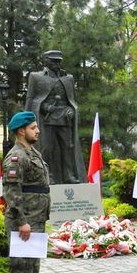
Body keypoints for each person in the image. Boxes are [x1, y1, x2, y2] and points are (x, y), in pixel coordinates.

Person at [2, 111, 53, 273]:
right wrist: (21, 221)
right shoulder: (16, 157)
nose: (38, 130)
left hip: (36, 219)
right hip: (23, 222)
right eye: (34, 127)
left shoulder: (32, 152)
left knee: (32, 266)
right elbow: (12, 192)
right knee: (21, 266)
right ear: (21, 131)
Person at [25, 50, 86, 184]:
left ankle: (68, 175)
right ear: (46, 60)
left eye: (58, 61)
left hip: (65, 118)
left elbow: (72, 100)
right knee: (47, 147)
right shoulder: (35, 77)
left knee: (68, 147)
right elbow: (31, 99)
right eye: (53, 60)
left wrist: (71, 110)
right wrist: (42, 109)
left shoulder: (68, 78)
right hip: (46, 118)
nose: (56, 63)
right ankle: (48, 174)